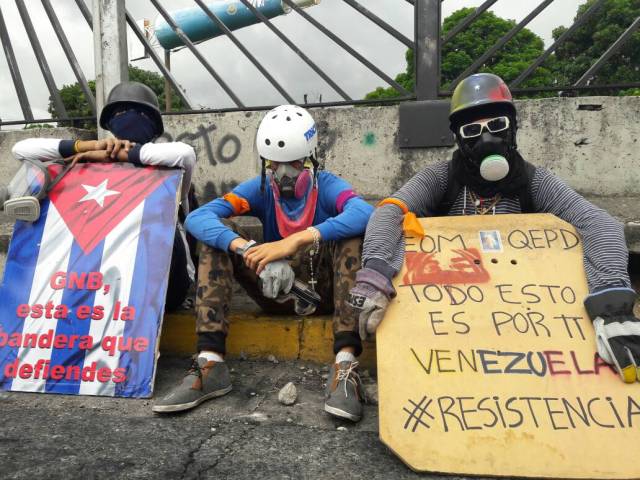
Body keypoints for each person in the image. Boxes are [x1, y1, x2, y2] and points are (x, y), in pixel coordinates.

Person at [349, 73, 640, 384]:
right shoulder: (440, 178)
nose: (486, 139)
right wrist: (377, 272)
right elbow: (390, 211)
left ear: (512, 128)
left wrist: (612, 305)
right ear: (459, 138)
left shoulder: (534, 182)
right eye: (472, 130)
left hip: (518, 316)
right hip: (450, 316)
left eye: (497, 126)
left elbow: (599, 223)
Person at [153, 105, 374, 421]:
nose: (284, 173)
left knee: (352, 236)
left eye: (294, 163)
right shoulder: (259, 190)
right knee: (217, 239)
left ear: (311, 158)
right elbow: (199, 217)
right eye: (275, 164)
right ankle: (210, 362)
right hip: (273, 291)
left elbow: (365, 213)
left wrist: (297, 239)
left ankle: (345, 364)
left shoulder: (327, 186)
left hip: (323, 293)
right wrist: (248, 249)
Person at [8, 81, 197, 310]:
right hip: (95, 281)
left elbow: (185, 153)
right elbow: (21, 150)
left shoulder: (169, 169)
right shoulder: (88, 159)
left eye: (139, 113)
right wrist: (88, 147)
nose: (129, 117)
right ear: (110, 124)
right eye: (120, 112)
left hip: (163, 286)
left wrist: (116, 156)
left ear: (153, 125)